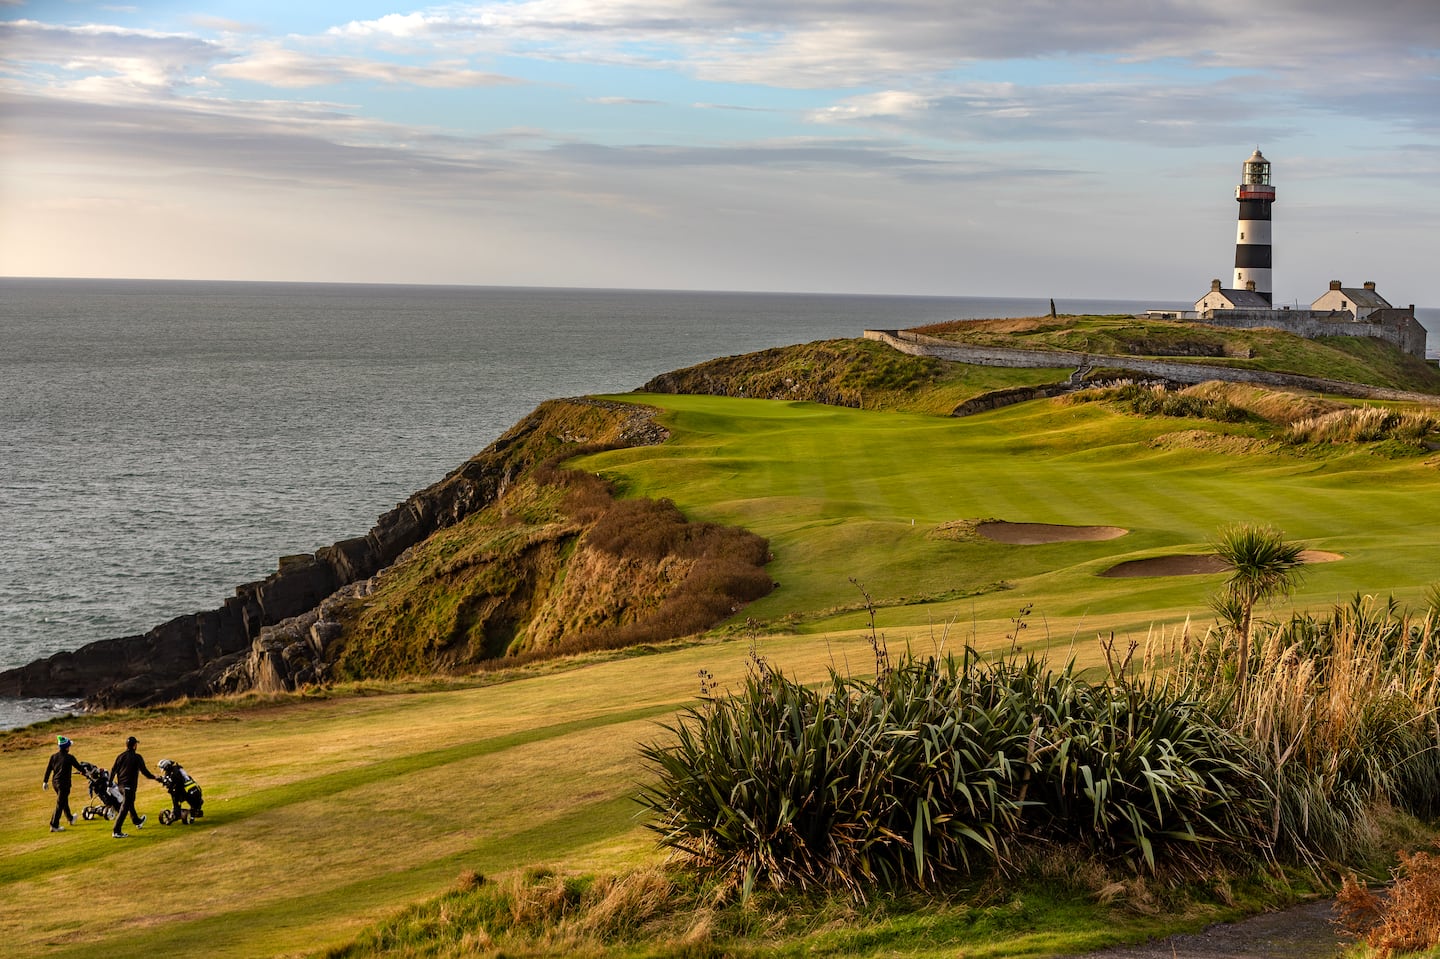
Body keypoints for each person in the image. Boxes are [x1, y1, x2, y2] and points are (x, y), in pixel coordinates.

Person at [109, 735, 158, 838]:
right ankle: (116, 831)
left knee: (129, 803)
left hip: (121, 786)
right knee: (124, 808)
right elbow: (144, 771)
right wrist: (154, 777)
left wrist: (109, 784)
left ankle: (137, 821)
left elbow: (113, 770)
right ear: (135, 745)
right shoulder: (137, 757)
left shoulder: (120, 756)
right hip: (129, 787)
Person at [42, 736, 84, 832]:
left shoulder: (53, 757)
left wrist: (45, 781)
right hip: (64, 784)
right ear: (66, 747)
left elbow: (48, 770)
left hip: (55, 783)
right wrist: (85, 771)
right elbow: (79, 767)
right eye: (69, 746)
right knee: (60, 804)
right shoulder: (70, 757)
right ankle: (54, 825)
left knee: (63, 800)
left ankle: (70, 818)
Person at [157, 759, 204, 823]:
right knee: (176, 800)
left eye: (164, 768)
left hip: (186, 790)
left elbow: (176, 781)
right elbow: (169, 780)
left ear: (167, 766)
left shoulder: (176, 771)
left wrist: (165, 781)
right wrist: (162, 779)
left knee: (195, 803)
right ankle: (176, 813)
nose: (163, 770)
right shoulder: (170, 771)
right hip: (179, 790)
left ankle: (191, 812)